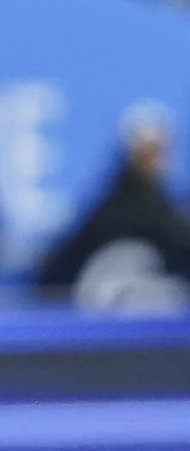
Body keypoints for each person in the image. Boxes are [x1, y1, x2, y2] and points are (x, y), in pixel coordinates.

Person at [38, 102, 190, 306]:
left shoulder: (169, 214)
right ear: (130, 155)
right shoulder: (111, 215)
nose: (156, 162)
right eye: (148, 153)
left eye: (160, 152)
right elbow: (56, 273)